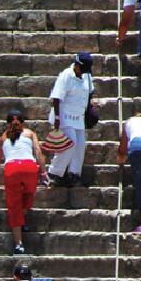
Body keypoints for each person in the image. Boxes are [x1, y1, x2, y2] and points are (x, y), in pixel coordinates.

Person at [0, 110, 48, 255]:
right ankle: (21, 220)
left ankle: (19, 244)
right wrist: (44, 172)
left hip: (12, 169)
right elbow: (38, 152)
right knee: (28, 196)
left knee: (14, 206)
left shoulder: (3, 138)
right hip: (29, 167)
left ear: (7, 123)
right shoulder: (30, 133)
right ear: (23, 123)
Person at [47, 52, 95, 187]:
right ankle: (54, 173)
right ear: (77, 65)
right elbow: (56, 97)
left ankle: (74, 174)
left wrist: (90, 108)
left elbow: (90, 92)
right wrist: (57, 117)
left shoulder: (87, 76)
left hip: (79, 117)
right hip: (64, 116)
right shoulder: (66, 75)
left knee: (80, 146)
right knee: (70, 143)